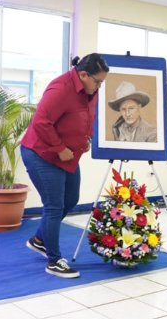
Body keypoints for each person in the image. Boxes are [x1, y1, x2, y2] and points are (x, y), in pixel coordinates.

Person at [20, 53, 109, 278]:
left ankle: (40, 239)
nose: (99, 86)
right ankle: (54, 260)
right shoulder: (61, 89)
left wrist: (85, 139)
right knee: (54, 205)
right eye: (97, 81)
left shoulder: (91, 91)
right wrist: (60, 148)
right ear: (83, 74)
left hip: (68, 157)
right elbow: (41, 122)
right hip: (42, 154)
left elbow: (87, 117)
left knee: (71, 199)